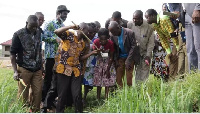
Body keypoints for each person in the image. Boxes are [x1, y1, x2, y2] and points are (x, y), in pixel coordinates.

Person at [54, 22, 98, 113]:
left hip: (76, 70)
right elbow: (56, 31)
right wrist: (71, 27)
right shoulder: (69, 35)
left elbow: (80, 58)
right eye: (88, 31)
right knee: (62, 94)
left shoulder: (82, 43)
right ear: (81, 29)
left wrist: (91, 53)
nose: (89, 34)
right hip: (64, 69)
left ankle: (78, 111)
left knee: (77, 94)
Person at [10, 15, 43, 112]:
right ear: (26, 23)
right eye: (32, 26)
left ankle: (35, 110)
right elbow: (12, 54)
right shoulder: (18, 35)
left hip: (37, 69)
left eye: (36, 26)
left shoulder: (39, 32)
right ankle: (22, 111)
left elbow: (39, 49)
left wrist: (41, 65)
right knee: (23, 94)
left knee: (38, 92)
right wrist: (15, 71)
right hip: (24, 69)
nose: (34, 29)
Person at [42, 5, 70, 105]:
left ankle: (52, 100)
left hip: (60, 58)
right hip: (50, 56)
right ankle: (43, 101)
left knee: (56, 80)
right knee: (48, 78)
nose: (65, 16)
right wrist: (55, 39)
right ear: (58, 14)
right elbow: (43, 37)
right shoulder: (50, 23)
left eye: (66, 15)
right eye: (64, 14)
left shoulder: (63, 26)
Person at [127, 10, 155, 82]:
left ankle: (144, 89)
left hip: (145, 52)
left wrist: (148, 55)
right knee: (138, 71)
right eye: (133, 18)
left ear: (141, 19)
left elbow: (151, 43)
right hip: (135, 52)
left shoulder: (149, 26)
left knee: (145, 70)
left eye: (136, 19)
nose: (134, 20)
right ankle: (138, 90)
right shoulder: (130, 25)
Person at [108, 21, 137, 87]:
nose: (112, 34)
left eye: (113, 32)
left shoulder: (129, 32)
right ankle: (120, 94)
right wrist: (116, 60)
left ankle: (129, 93)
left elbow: (133, 46)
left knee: (129, 77)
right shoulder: (112, 35)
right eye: (111, 32)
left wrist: (128, 60)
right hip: (120, 58)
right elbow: (114, 48)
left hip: (129, 57)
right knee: (119, 78)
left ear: (118, 28)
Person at [92, 28, 116, 100]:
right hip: (99, 62)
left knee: (107, 80)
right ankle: (98, 98)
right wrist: (98, 51)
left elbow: (111, 56)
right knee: (98, 79)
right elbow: (94, 53)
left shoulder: (110, 43)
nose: (103, 41)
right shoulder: (96, 42)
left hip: (108, 62)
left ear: (108, 38)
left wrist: (108, 69)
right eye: (101, 39)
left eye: (105, 39)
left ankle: (106, 98)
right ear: (98, 37)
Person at [82, 22, 98, 106]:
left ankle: (84, 98)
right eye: (90, 32)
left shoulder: (98, 38)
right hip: (83, 62)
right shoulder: (83, 38)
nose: (91, 34)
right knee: (80, 81)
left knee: (88, 82)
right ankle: (80, 98)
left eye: (93, 32)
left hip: (92, 63)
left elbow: (104, 53)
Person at [183, 3, 200, 72]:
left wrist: (198, 8)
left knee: (198, 46)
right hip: (185, 14)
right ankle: (193, 77)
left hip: (196, 12)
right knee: (190, 48)